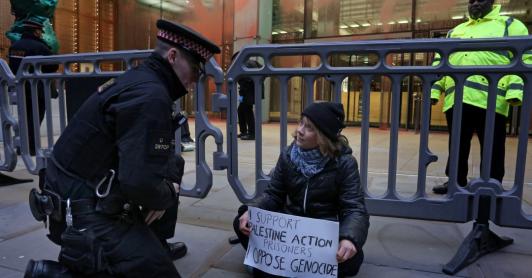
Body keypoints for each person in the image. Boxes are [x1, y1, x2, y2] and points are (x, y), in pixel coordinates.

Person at [25, 19, 220, 277]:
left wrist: (161, 190)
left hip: (76, 193)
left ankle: (150, 244)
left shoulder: (140, 80)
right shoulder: (150, 95)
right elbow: (139, 183)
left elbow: (144, 164)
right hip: (83, 212)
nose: (195, 81)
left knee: (173, 165)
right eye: (195, 71)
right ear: (172, 56)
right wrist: (166, 194)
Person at [233, 102, 370, 277]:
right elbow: (273, 194)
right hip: (289, 232)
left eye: (309, 128)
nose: (300, 130)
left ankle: (269, 266)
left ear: (323, 136)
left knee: (353, 258)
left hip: (321, 236)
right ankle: (278, 264)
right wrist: (253, 211)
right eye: (301, 123)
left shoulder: (344, 163)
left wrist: (348, 239)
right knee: (241, 222)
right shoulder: (288, 155)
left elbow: (354, 209)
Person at [431, 0, 529, 194]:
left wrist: (515, 91)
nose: (475, 4)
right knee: (457, 144)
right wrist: (434, 90)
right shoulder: (456, 30)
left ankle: (491, 184)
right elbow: (440, 62)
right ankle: (455, 182)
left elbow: (525, 58)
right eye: (471, 0)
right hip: (457, 98)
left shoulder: (510, 25)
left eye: (481, 0)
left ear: (492, 2)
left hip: (492, 99)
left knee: (492, 145)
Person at [8, 19, 58, 156]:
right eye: (40, 31)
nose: (41, 34)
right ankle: (31, 148)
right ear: (36, 31)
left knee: (23, 118)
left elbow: (13, 66)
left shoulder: (15, 46)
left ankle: (21, 147)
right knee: (35, 118)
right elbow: (53, 66)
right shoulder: (40, 47)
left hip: (20, 88)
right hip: (37, 89)